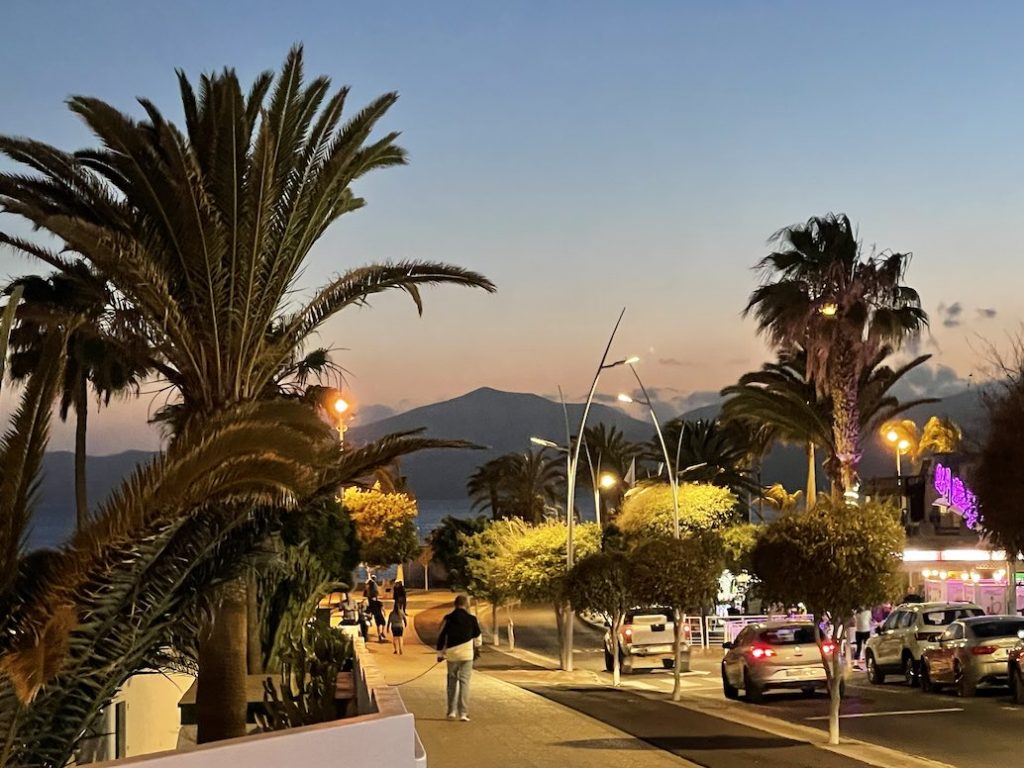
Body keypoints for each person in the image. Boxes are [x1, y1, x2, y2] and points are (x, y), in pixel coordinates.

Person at [436, 594, 481, 722]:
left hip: (452, 655)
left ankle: (451, 712)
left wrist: (440, 654)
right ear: (466, 604)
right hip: (467, 655)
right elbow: (477, 636)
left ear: (455, 604)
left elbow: (441, 636)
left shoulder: (448, 618)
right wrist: (477, 647)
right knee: (464, 683)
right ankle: (463, 713)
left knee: (451, 683)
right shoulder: (472, 619)